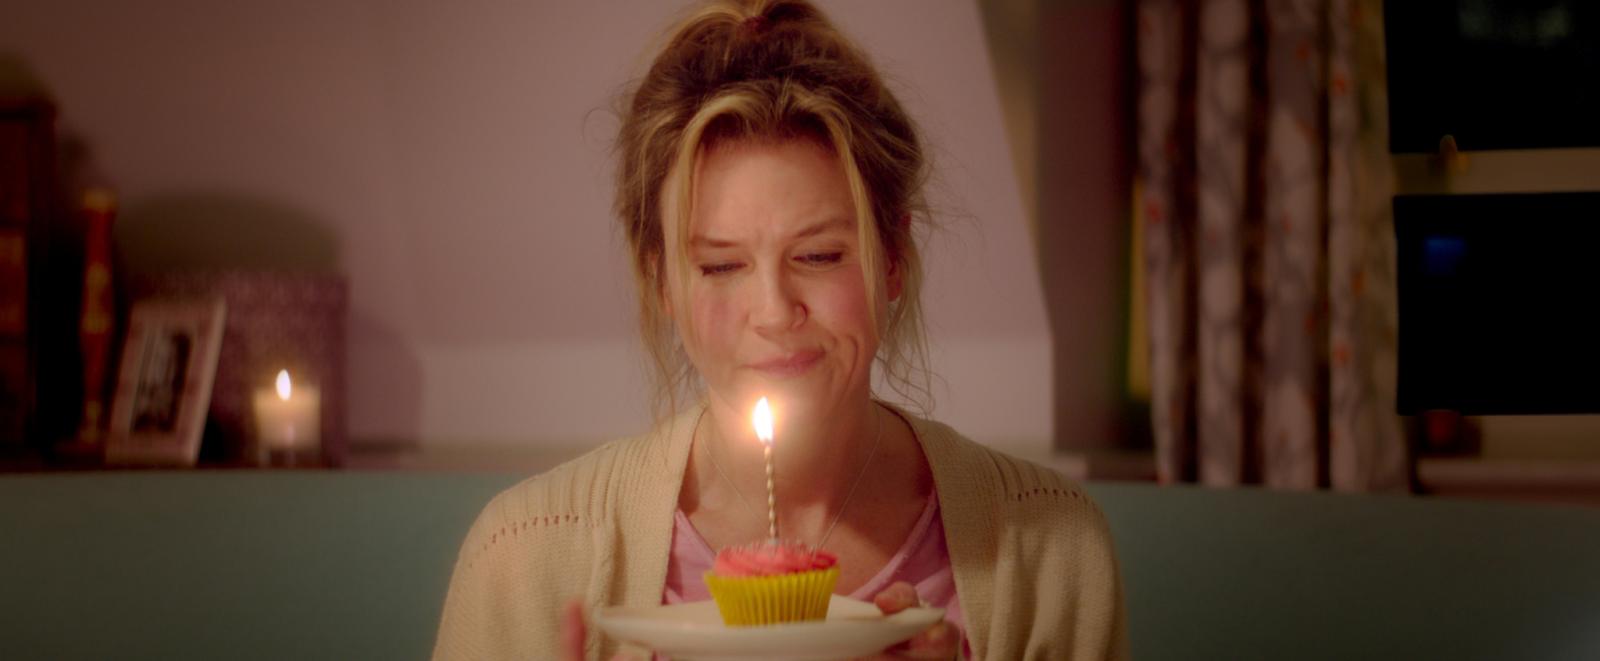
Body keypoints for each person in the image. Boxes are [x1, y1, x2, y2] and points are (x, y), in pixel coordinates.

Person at [431, 1, 1126, 658]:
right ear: (663, 283)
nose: (773, 311)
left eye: (819, 256)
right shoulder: (523, 558)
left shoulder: (1055, 550)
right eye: (721, 265)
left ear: (891, 258)